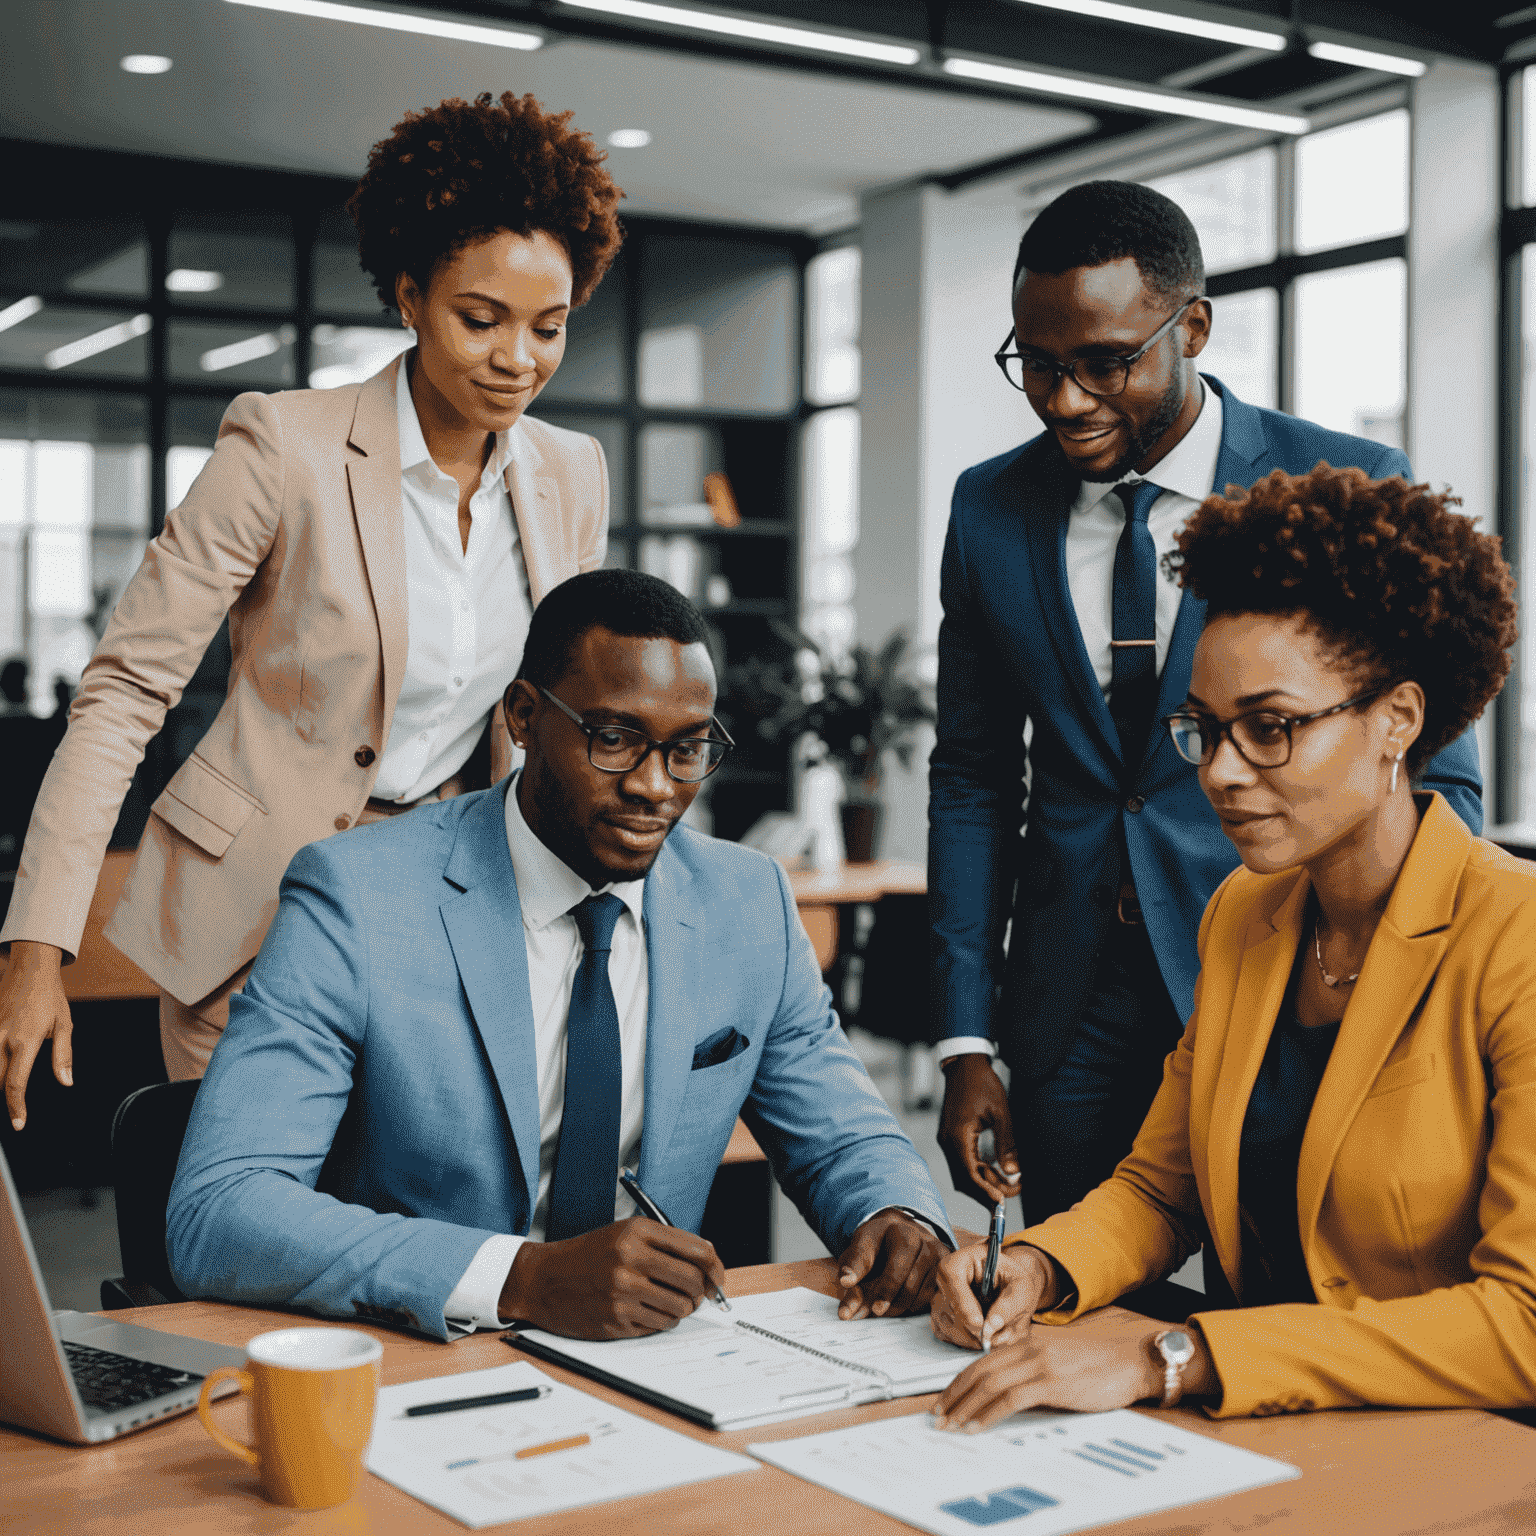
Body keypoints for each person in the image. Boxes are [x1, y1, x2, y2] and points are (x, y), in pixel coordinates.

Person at [0, 92, 622, 1122]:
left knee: (411, 1240)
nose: (519, 359)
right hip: (256, 910)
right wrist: (33, 946)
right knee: (247, 1226)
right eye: (481, 319)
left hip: (449, 915)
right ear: (411, 295)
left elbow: (558, 712)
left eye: (548, 327)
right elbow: (123, 694)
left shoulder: (571, 474)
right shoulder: (283, 447)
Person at [167, 570, 953, 1340]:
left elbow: (844, 1134)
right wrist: (521, 1279)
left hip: (656, 1364)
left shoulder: (748, 905)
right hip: (427, 1353)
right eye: (614, 739)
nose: (654, 787)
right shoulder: (358, 899)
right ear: (522, 716)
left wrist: (895, 1213)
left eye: (687, 750)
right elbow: (222, 1207)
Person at [926, 464, 1536, 1424]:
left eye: (1272, 729)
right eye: (1205, 730)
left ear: (1398, 721)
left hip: (1454, 1447)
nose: (1220, 773)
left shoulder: (1516, 940)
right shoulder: (1246, 917)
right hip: (1268, 1433)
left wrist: (1181, 1354)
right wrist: (1041, 1266)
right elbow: (1164, 1191)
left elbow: (1525, 1323)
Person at [929, 180, 1482, 1226]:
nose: (1064, 400)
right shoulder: (989, 509)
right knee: (1068, 1293)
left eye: (1105, 363)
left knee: (1275, 1297)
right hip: (1072, 993)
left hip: (1289, 970)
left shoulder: (1347, 481)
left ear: (1192, 327)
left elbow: (1438, 771)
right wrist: (966, 1037)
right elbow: (972, 776)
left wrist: (1403, 990)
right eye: (1037, 365)